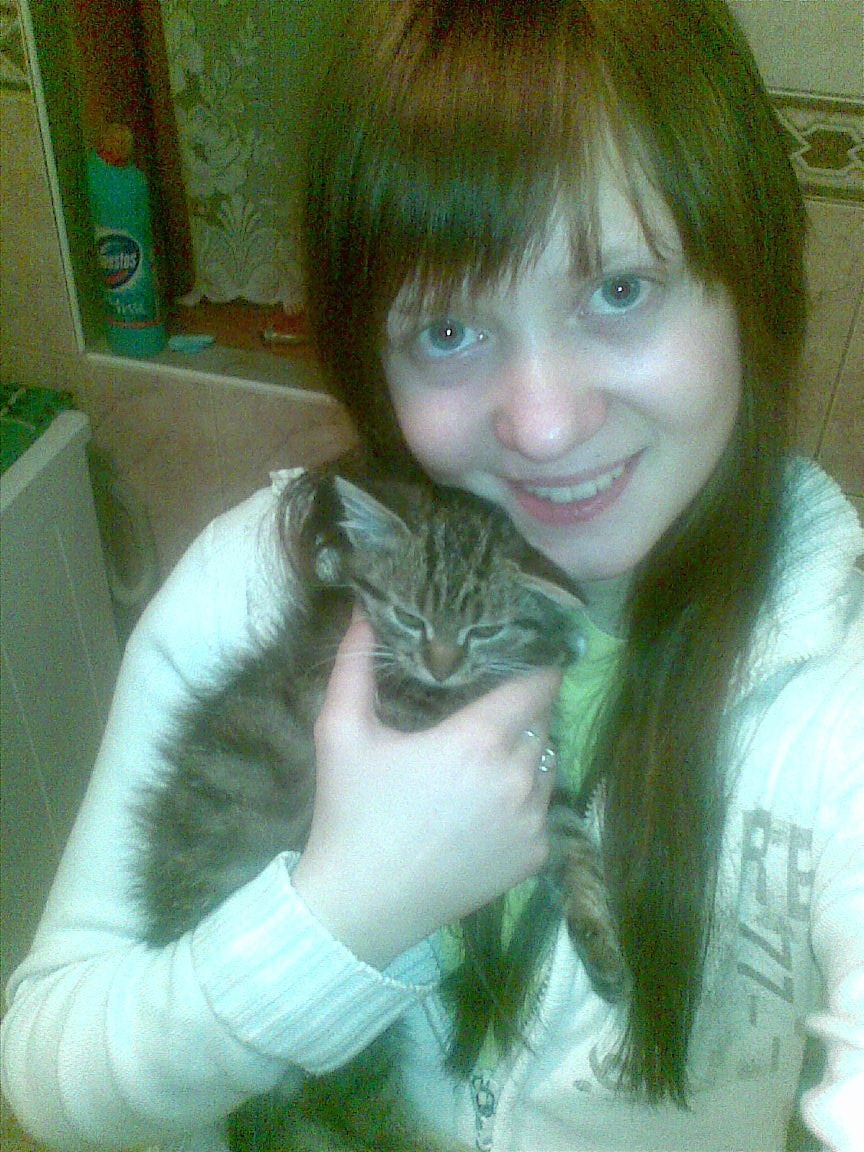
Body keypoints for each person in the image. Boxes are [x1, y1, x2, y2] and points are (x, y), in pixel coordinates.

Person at [3, 1, 862, 1148]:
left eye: (620, 290)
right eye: (448, 332)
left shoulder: (834, 700)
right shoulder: (254, 581)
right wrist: (342, 916)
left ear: (751, 288)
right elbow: (46, 1067)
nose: (544, 426)